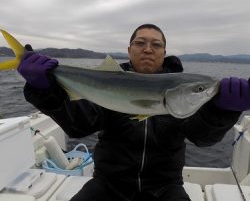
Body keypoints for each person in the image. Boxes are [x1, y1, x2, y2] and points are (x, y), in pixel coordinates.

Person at [17, 24, 250, 201]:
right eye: (140, 43)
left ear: (164, 52)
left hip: (165, 186)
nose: (148, 49)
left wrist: (223, 111)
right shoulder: (108, 84)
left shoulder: (184, 92)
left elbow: (202, 137)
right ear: (129, 50)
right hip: (108, 183)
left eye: (156, 45)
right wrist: (45, 90)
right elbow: (79, 126)